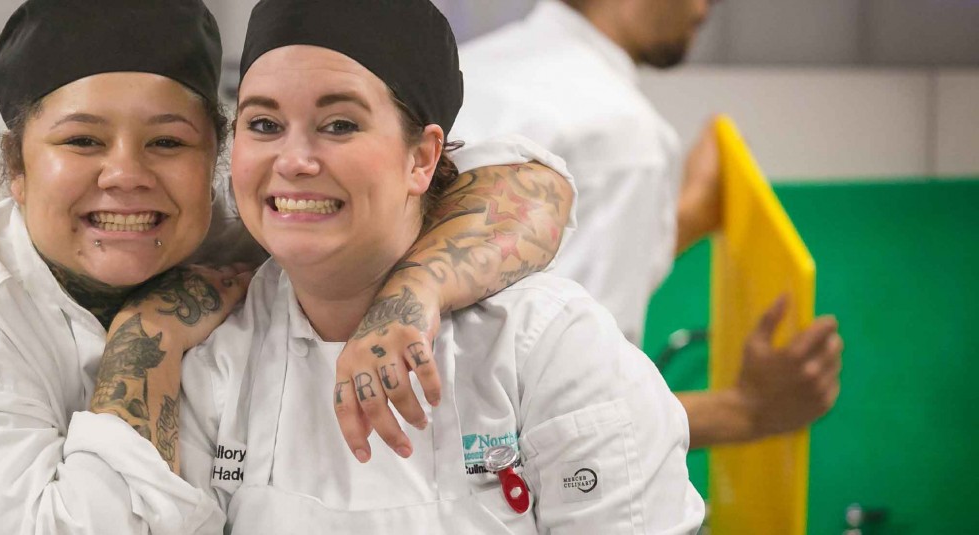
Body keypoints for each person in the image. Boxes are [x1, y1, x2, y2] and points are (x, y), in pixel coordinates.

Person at [0, 0, 575, 532]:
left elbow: (524, 186)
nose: (126, 174)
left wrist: (412, 291)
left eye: (168, 142)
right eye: (81, 142)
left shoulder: (238, 231)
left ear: (217, 156)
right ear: (16, 169)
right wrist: (154, 336)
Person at [99, 0, 702, 531]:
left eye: (340, 124)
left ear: (422, 157)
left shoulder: (548, 346)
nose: (295, 159)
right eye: (264, 124)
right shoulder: (213, 365)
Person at [451, 0, 844, 447]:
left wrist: (692, 215)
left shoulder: (465, 68)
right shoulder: (619, 133)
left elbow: (497, 274)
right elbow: (575, 410)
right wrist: (747, 410)